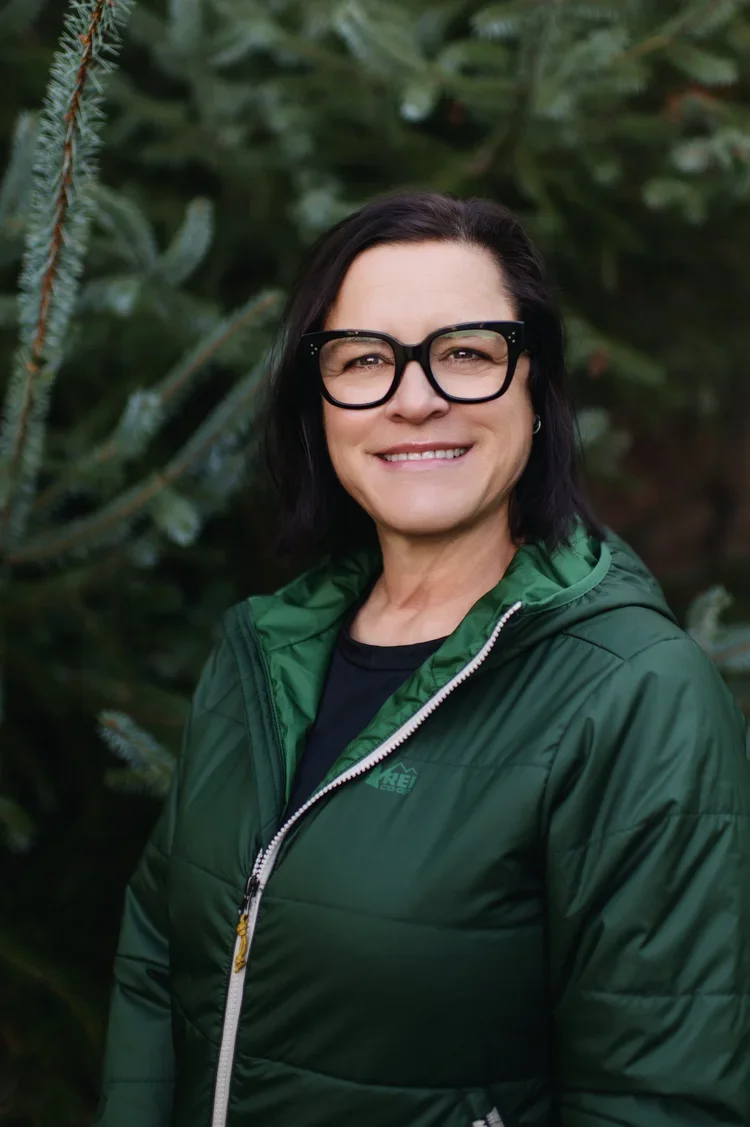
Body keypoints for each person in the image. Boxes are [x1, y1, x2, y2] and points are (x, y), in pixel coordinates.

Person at [95, 192, 750, 1127]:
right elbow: (156, 963)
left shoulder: (638, 697)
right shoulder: (260, 653)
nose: (414, 396)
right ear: (317, 400)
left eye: (467, 353)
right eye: (365, 358)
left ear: (537, 390)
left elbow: (662, 1100)